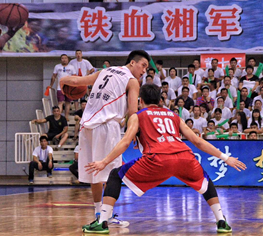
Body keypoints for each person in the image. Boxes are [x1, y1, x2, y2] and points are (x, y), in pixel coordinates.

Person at [82, 84, 246, 234]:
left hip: (158, 159)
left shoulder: (138, 115)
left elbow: (125, 142)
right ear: (160, 100)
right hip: (185, 156)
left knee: (115, 175)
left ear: (141, 100)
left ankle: (102, 221)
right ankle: (221, 221)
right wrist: (225, 157)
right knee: (205, 181)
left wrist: (103, 161)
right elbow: (197, 141)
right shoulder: (173, 115)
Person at [60, 50, 150, 227]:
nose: (145, 70)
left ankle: (99, 213)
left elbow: (76, 81)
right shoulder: (132, 81)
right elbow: (133, 112)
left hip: (87, 127)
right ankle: (106, 217)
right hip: (107, 126)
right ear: (132, 63)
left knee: (96, 173)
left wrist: (63, 82)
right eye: (143, 65)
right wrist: (134, 132)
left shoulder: (105, 71)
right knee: (112, 174)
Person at [49, 54, 76, 120]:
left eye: (65, 58)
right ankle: (60, 117)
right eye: (62, 58)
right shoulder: (57, 66)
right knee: (60, 102)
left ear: (68, 59)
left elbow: (75, 77)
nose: (64, 59)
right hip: (60, 88)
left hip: (69, 88)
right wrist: (50, 85)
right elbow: (54, 76)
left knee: (68, 102)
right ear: (61, 59)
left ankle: (66, 116)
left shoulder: (71, 67)